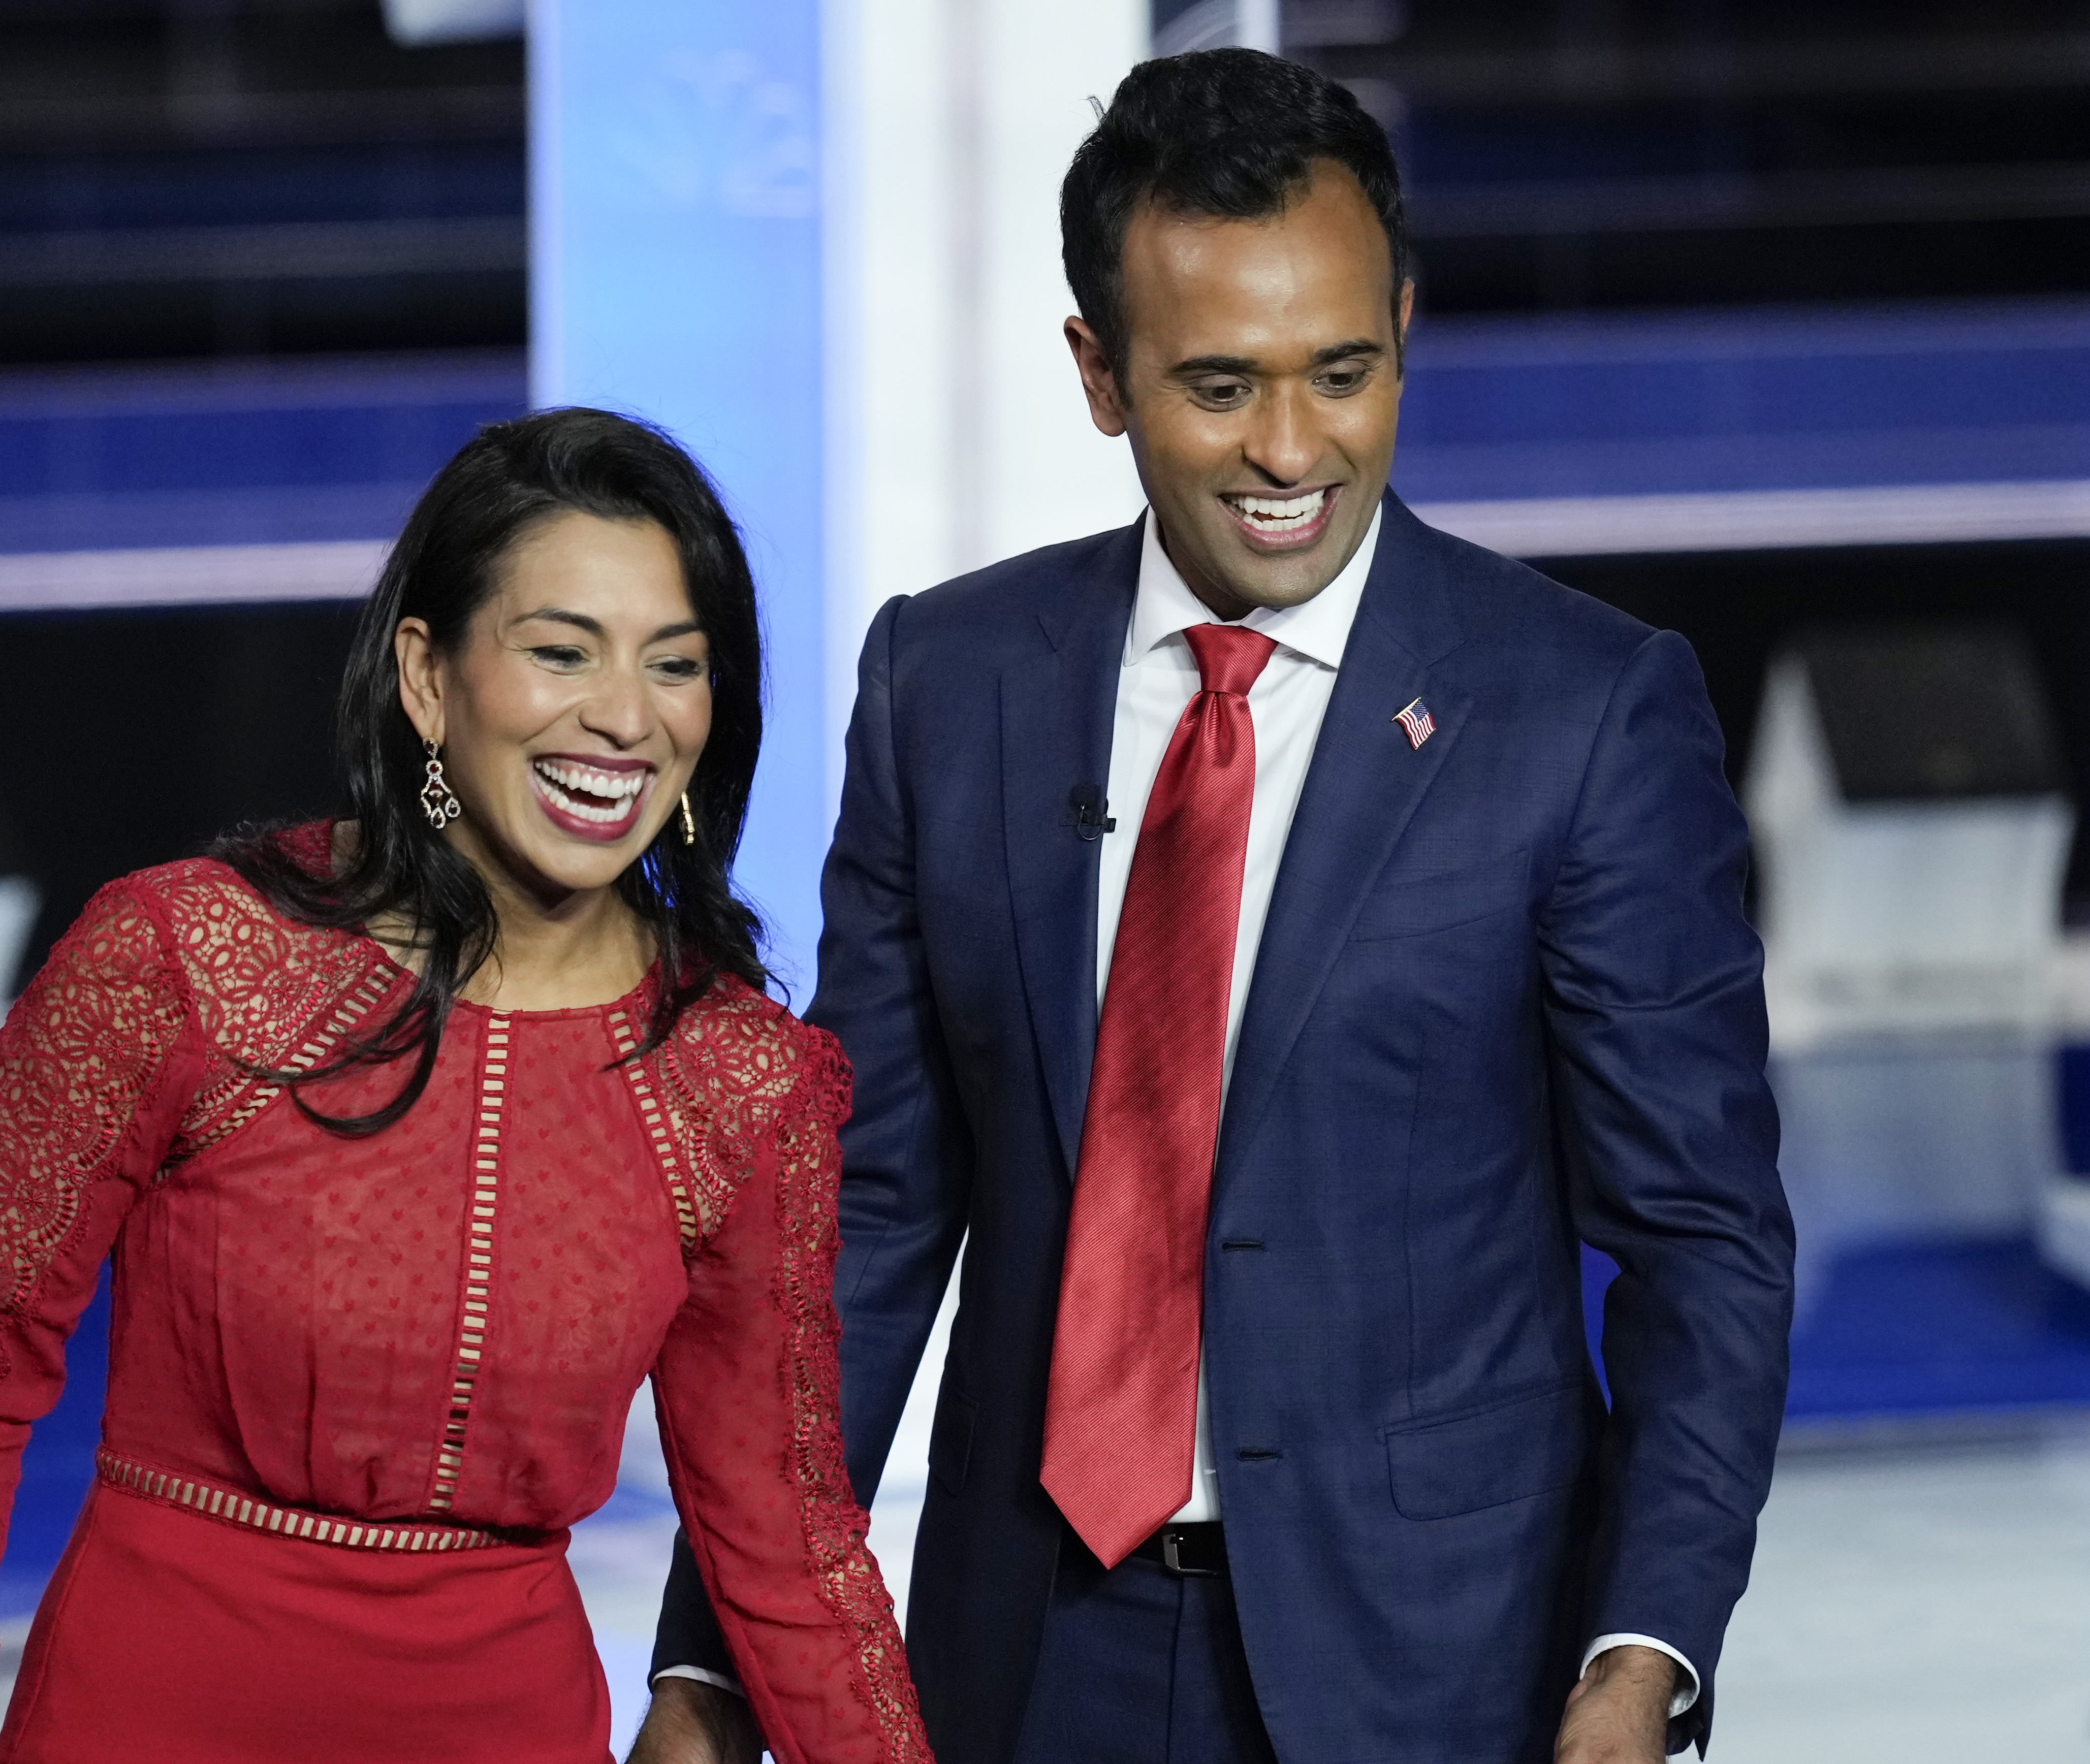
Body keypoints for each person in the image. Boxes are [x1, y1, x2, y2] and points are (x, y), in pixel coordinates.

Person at [641, 49, 1793, 1764]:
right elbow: (858, 1223)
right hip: (1026, 1658)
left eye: (1342, 371)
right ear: (1098, 373)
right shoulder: (945, 683)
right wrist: (713, 1659)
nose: (1286, 449)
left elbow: (1701, 1238)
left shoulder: (1584, 712)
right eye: (1217, 384)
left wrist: (1640, 1658)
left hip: (1440, 1673)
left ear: (1403, 321)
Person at [0, 408, 930, 1764]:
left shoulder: (738, 1078)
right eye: (559, 651)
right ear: (427, 675)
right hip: (144, 1714)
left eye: (674, 666)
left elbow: (788, 1543)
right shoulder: (183, 959)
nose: (621, 716)